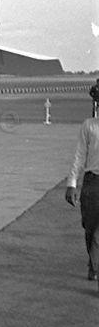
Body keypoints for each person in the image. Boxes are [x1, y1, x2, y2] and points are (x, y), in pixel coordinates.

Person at [65, 116, 99, 287]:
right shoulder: (89, 126)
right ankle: (93, 262)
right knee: (91, 229)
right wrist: (72, 184)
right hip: (93, 183)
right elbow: (79, 155)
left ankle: (96, 265)